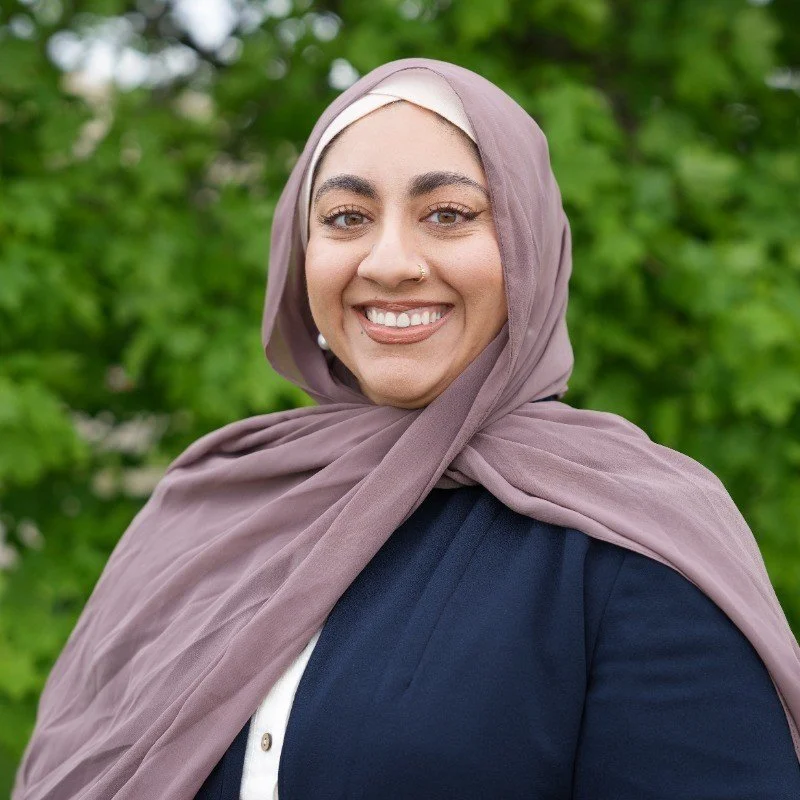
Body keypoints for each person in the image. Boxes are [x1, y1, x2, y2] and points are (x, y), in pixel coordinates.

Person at [12, 58, 800, 800]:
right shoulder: (210, 507)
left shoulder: (630, 541)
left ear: (527, 248)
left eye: (449, 215)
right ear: (302, 252)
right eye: (347, 217)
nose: (390, 261)